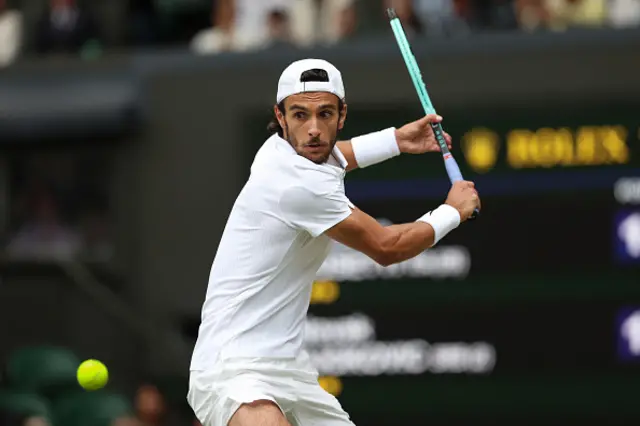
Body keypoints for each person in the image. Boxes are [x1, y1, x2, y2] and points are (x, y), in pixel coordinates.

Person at [187, 58, 481, 426]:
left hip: (290, 370)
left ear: (342, 115)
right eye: (300, 116)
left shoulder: (279, 150)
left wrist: (397, 140)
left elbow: (337, 155)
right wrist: (451, 211)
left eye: (324, 114)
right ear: (281, 118)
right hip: (231, 367)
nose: (313, 129)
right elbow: (387, 247)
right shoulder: (297, 186)